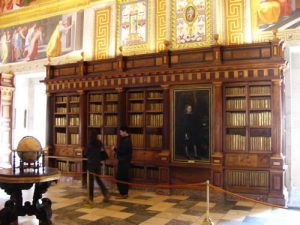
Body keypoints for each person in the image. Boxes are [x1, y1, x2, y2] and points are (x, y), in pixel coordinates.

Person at [84, 130, 110, 203]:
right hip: (98, 164)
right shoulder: (99, 143)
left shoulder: (89, 143)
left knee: (90, 182)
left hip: (91, 164)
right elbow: (102, 152)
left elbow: (86, 153)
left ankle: (90, 198)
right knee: (98, 179)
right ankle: (105, 193)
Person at [112, 125, 132, 199]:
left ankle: (123, 193)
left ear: (125, 131)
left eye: (121, 132)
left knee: (121, 178)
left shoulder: (127, 140)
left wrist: (115, 149)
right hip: (122, 161)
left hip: (124, 162)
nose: (120, 133)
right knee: (122, 177)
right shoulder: (124, 139)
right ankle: (123, 193)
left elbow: (122, 151)